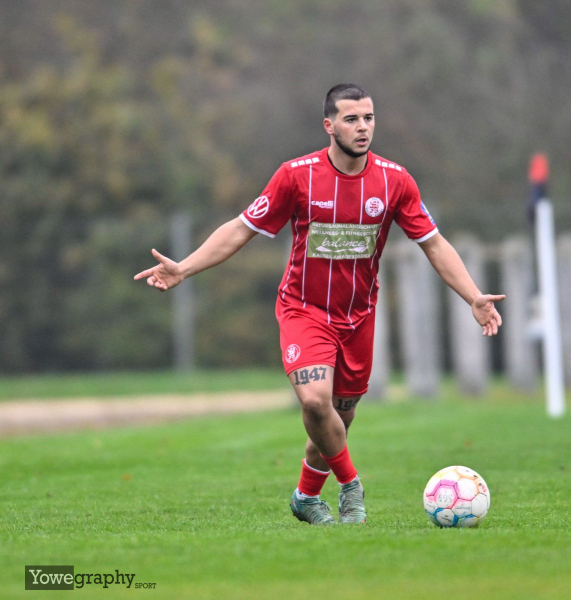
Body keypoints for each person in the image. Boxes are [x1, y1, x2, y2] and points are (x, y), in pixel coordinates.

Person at [134, 83, 505, 525]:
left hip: (359, 317)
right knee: (314, 401)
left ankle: (306, 497)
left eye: (368, 118)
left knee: (336, 423)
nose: (362, 127)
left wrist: (473, 296)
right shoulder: (296, 175)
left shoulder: (395, 180)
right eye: (351, 119)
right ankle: (352, 488)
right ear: (329, 125)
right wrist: (184, 268)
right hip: (303, 310)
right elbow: (240, 228)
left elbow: (434, 244)